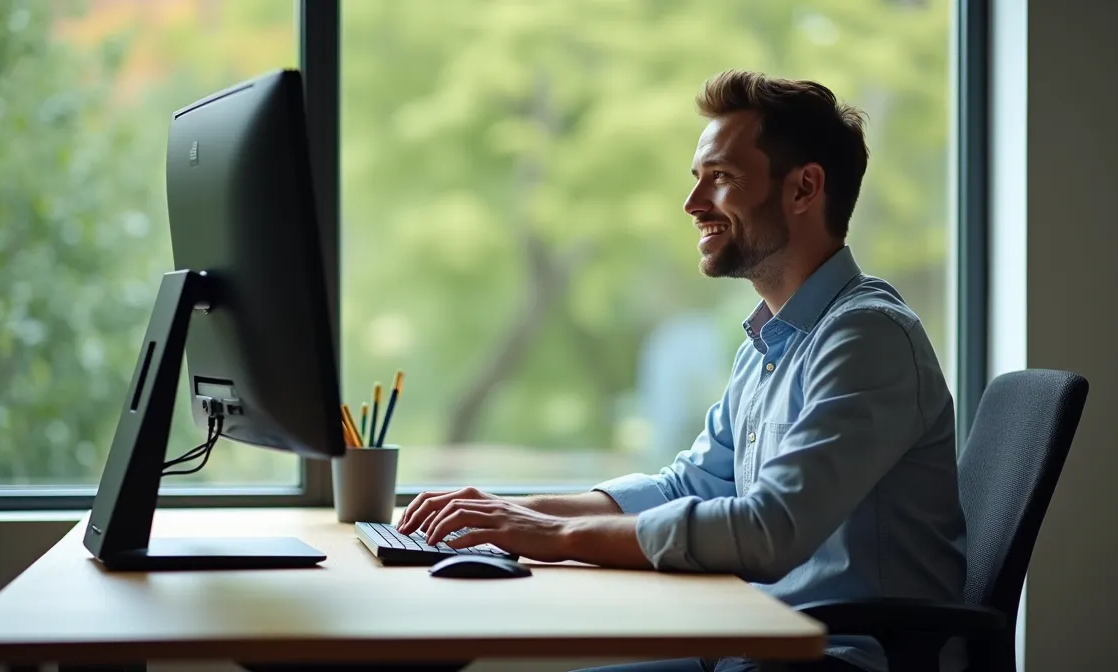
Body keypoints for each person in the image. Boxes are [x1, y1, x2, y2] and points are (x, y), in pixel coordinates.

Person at [395, 70, 967, 672]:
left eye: (720, 179)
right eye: (698, 180)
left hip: (842, 661)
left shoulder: (866, 337)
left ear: (803, 189)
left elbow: (767, 531)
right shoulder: (769, 343)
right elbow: (688, 486)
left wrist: (552, 536)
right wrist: (514, 515)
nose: (693, 205)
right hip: (754, 649)